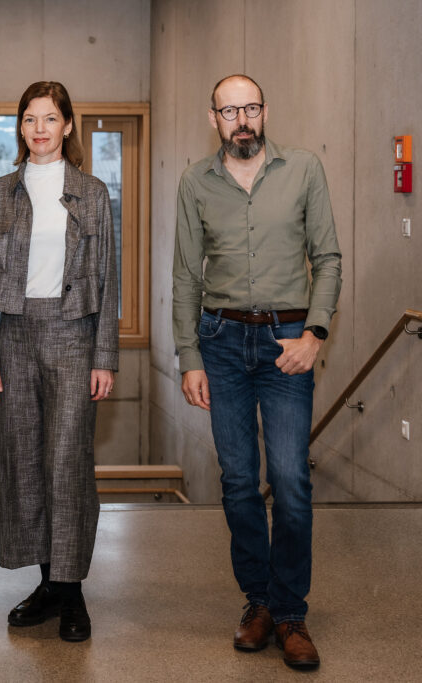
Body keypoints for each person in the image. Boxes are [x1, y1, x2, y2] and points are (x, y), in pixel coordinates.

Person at [172, 74, 341, 670]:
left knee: (291, 480)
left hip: (286, 342)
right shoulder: (195, 181)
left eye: (250, 108)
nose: (241, 120)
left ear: (265, 112)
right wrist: (189, 357)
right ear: (213, 118)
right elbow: (186, 275)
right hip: (220, 343)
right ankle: (259, 603)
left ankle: (291, 613)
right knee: (239, 481)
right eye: (229, 111)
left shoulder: (304, 169)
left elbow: (327, 258)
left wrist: (314, 335)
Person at [0, 81, 118, 643]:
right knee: (25, 461)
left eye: (50, 118)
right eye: (30, 119)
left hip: (74, 333)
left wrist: (104, 356)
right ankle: (47, 583)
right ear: (21, 127)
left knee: (68, 462)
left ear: (68, 126)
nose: (39, 129)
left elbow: (108, 279)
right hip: (13, 335)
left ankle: (72, 589)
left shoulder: (93, 193)